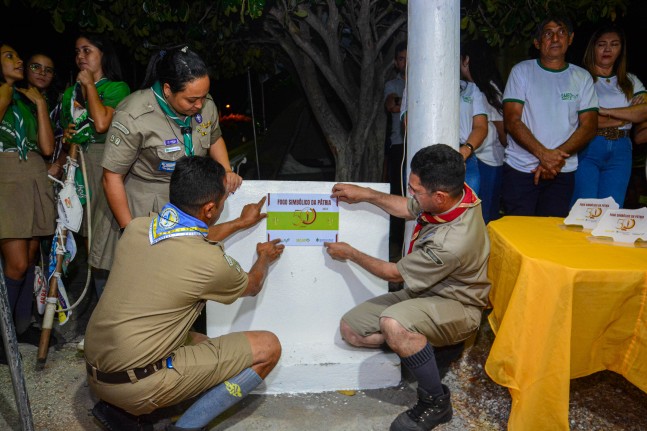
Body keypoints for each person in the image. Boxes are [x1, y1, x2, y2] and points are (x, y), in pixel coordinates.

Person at [84, 156, 283, 431]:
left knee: (201, 341)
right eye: (223, 200)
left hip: (97, 374)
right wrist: (263, 257)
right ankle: (183, 427)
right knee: (268, 347)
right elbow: (252, 285)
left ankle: (123, 410)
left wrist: (239, 223)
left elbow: (189, 235)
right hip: (135, 386)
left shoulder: (137, 228)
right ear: (210, 208)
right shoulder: (210, 262)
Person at [324, 144, 490, 431]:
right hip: (425, 293)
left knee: (393, 323)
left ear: (439, 196)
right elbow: (407, 208)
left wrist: (350, 254)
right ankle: (424, 349)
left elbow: (393, 273)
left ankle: (435, 402)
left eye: (415, 190)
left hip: (459, 305)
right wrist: (367, 194)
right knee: (351, 330)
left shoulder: (451, 242)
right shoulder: (455, 197)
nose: (411, 193)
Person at [89, 45, 243, 280]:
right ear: (168, 89)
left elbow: (213, 137)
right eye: (192, 99)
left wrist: (226, 170)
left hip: (187, 205)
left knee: (180, 277)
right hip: (140, 206)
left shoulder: (204, 104)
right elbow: (112, 177)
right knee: (136, 279)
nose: (200, 105)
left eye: (204, 96)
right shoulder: (133, 115)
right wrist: (131, 232)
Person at [501, 15, 598, 217]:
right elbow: (512, 120)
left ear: (570, 38)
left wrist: (553, 159)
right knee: (519, 231)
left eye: (561, 32)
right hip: (521, 168)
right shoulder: (522, 71)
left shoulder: (582, 77)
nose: (555, 38)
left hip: (562, 171)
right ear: (537, 42)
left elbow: (589, 126)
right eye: (548, 33)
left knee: (551, 231)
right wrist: (544, 155)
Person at [59, 34, 131, 296]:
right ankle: (99, 300)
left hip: (105, 162)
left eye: (87, 50)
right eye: (77, 51)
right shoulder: (70, 93)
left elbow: (101, 124)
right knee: (88, 236)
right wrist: (66, 136)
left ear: (103, 54)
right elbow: (70, 130)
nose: (80, 56)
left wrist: (89, 85)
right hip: (78, 164)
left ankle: (114, 299)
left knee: (105, 234)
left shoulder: (117, 88)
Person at [0, 42, 56, 356]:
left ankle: (22, 326)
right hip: (7, 173)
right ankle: (3, 334)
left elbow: (46, 148)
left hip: (34, 172)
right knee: (17, 263)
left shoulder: (28, 100)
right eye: (9, 57)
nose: (19, 61)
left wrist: (41, 106)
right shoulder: (5, 94)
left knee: (31, 255)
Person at [570, 25, 647, 207]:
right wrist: (628, 116)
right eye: (601, 44)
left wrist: (606, 111)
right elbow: (586, 121)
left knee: (613, 208)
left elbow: (644, 111)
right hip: (589, 145)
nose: (607, 49)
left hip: (622, 149)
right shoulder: (580, 78)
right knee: (584, 207)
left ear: (621, 49)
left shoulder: (630, 80)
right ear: (592, 48)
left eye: (614, 44)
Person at [460, 40, 507, 223]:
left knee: (485, 216)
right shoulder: (471, 87)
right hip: (476, 157)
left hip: (489, 160)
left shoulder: (488, 88)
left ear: (466, 60)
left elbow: (503, 132)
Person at [24, 52, 65, 180]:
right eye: (36, 67)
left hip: (53, 175)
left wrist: (58, 165)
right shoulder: (15, 99)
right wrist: (43, 166)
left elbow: (64, 145)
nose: (42, 73)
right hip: (20, 169)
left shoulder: (59, 104)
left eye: (48, 70)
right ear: (25, 69)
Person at [384, 40, 407, 260]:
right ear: (396, 62)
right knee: (398, 194)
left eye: (409, 58)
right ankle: (397, 246)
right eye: (401, 59)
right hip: (399, 145)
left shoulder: (424, 80)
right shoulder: (393, 84)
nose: (406, 63)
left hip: (421, 145)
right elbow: (391, 105)